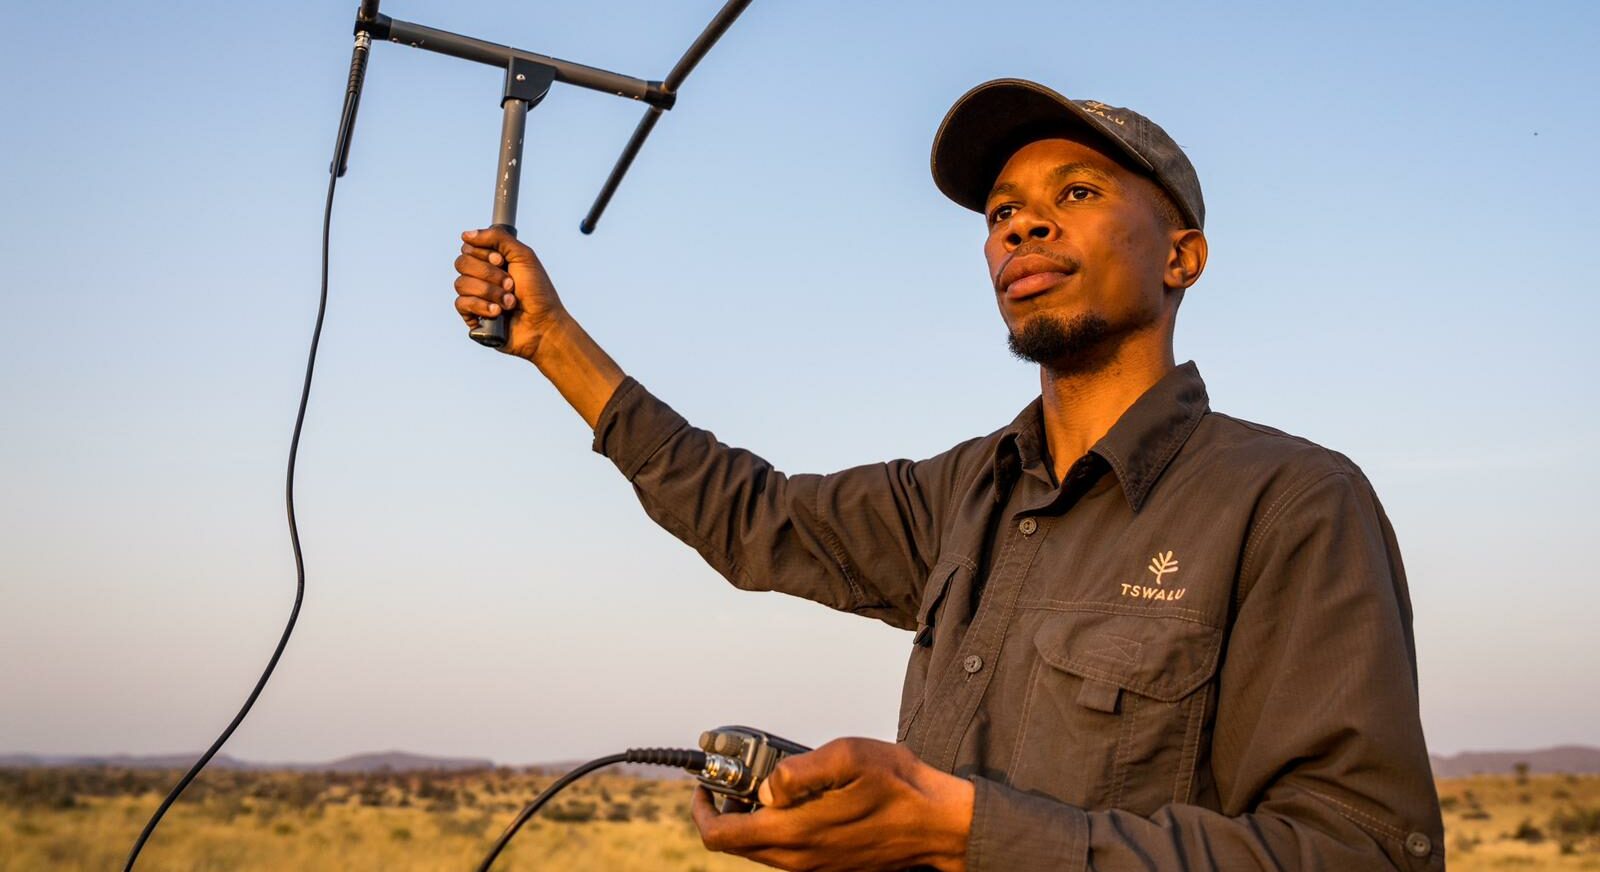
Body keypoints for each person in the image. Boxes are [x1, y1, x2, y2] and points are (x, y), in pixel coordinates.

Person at [449, 79, 1444, 871]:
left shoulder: (1290, 501)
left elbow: (1358, 850)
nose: (1021, 226)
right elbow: (750, 516)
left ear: (1181, 256)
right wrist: (551, 340)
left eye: (1078, 194)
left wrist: (962, 833)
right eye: (1003, 210)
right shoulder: (961, 494)